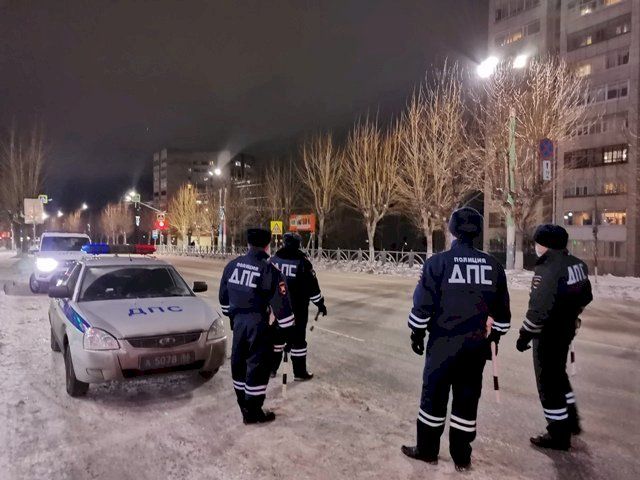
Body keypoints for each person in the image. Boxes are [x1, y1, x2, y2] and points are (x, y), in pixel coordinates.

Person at [401, 207, 511, 471]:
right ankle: (462, 456)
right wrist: (494, 338)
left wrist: (417, 332)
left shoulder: (437, 263)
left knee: (434, 397)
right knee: (467, 399)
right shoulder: (493, 266)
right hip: (475, 347)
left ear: (452, 230)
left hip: (442, 345)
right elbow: (503, 315)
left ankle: (427, 450)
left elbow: (422, 305)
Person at [516, 224, 592, 450]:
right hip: (566, 328)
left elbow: (539, 307)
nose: (536, 246)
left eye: (538, 243)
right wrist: (572, 314)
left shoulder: (548, 268)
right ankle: (571, 420)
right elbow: (586, 295)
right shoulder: (576, 264)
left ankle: (558, 433)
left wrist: (524, 334)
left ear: (546, 245)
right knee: (559, 375)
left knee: (548, 383)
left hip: (548, 332)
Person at [219, 228, 295, 424]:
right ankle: (252, 412)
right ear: (267, 246)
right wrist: (286, 334)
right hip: (258, 324)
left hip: (238, 323)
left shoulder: (232, 266)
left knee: (239, 363)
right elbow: (283, 310)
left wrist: (234, 317)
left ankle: (243, 405)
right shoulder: (270, 271)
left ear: (248, 243)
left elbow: (224, 301)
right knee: (257, 366)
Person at [270, 232, 327, 380]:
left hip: (278, 308)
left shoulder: (274, 260)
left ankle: (271, 369)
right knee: (298, 341)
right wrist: (320, 304)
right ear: (298, 244)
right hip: (298, 309)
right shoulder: (302, 262)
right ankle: (299, 372)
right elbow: (312, 287)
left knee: (276, 338)